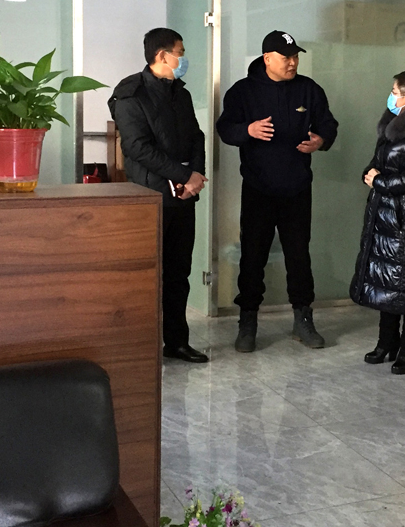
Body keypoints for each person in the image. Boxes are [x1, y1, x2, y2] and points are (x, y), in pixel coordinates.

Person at [216, 30, 338, 353]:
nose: (293, 62)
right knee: (252, 256)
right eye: (286, 57)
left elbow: (329, 124)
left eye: (296, 56)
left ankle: (303, 319)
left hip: (297, 188)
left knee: (299, 255)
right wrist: (248, 130)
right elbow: (225, 129)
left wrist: (321, 141)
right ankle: (247, 322)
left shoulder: (309, 89)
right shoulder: (243, 92)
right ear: (267, 58)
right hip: (258, 189)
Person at [109, 28, 208, 364]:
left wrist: (195, 177)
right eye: (180, 51)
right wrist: (183, 175)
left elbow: (197, 137)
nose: (184, 58)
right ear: (162, 55)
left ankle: (177, 342)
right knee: (147, 275)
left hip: (184, 196)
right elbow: (136, 147)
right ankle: (142, 346)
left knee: (179, 274)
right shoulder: (130, 95)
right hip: (151, 197)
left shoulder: (181, 93)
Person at [349, 71, 405, 375]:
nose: (390, 96)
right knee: (386, 280)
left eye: (394, 92)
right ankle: (385, 343)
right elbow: (380, 162)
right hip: (384, 213)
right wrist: (370, 173)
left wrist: (380, 182)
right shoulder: (392, 126)